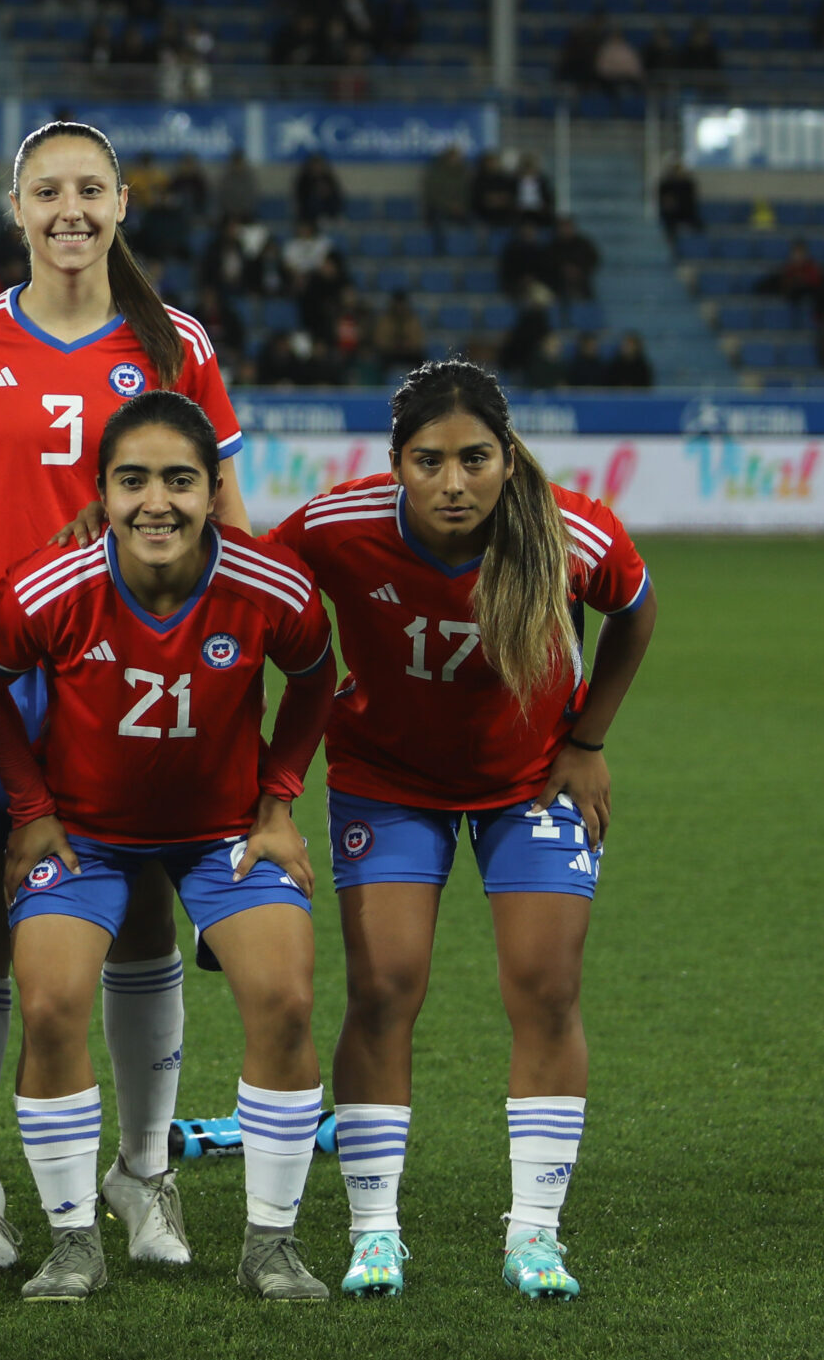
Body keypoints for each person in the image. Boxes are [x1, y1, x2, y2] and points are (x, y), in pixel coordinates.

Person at [0, 120, 254, 1275]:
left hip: (139, 670)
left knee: (144, 916)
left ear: (121, 205)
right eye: (46, 191)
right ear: (15, 210)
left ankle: (144, 1171)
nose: (69, 209)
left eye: (89, 190)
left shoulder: (177, 345)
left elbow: (232, 518)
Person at [265, 359, 656, 1301]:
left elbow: (634, 611)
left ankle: (535, 1234)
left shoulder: (570, 531)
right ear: (394, 462)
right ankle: (373, 1232)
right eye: (430, 461)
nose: (454, 483)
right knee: (386, 986)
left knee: (546, 987)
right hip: (388, 783)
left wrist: (589, 740)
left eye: (475, 459)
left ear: (506, 455)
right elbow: (244, 582)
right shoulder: (336, 526)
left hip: (529, 783)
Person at [0, 390, 337, 1303]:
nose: (156, 503)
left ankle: (271, 1244)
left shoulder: (271, 585)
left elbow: (317, 677)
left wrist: (279, 799)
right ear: (102, 491)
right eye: (132, 482)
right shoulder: (47, 587)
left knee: (286, 1001)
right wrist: (32, 807)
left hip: (221, 836)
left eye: (179, 481)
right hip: (86, 834)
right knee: (48, 1005)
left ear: (214, 490)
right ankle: (72, 1239)